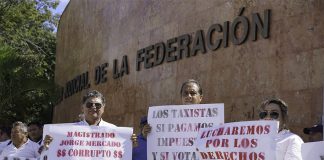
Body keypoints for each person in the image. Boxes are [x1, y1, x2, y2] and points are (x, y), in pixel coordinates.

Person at [132, 79, 203, 160]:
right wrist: (147, 137)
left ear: (200, 97)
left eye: (193, 93)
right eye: (185, 94)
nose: (189, 96)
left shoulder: (212, 121)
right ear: (181, 97)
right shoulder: (168, 121)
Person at [43, 90, 118, 149]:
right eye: (89, 105)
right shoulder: (69, 131)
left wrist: (129, 143)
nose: (93, 107)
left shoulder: (113, 130)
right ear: (82, 108)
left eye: (98, 105)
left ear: (103, 108)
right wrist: (48, 145)